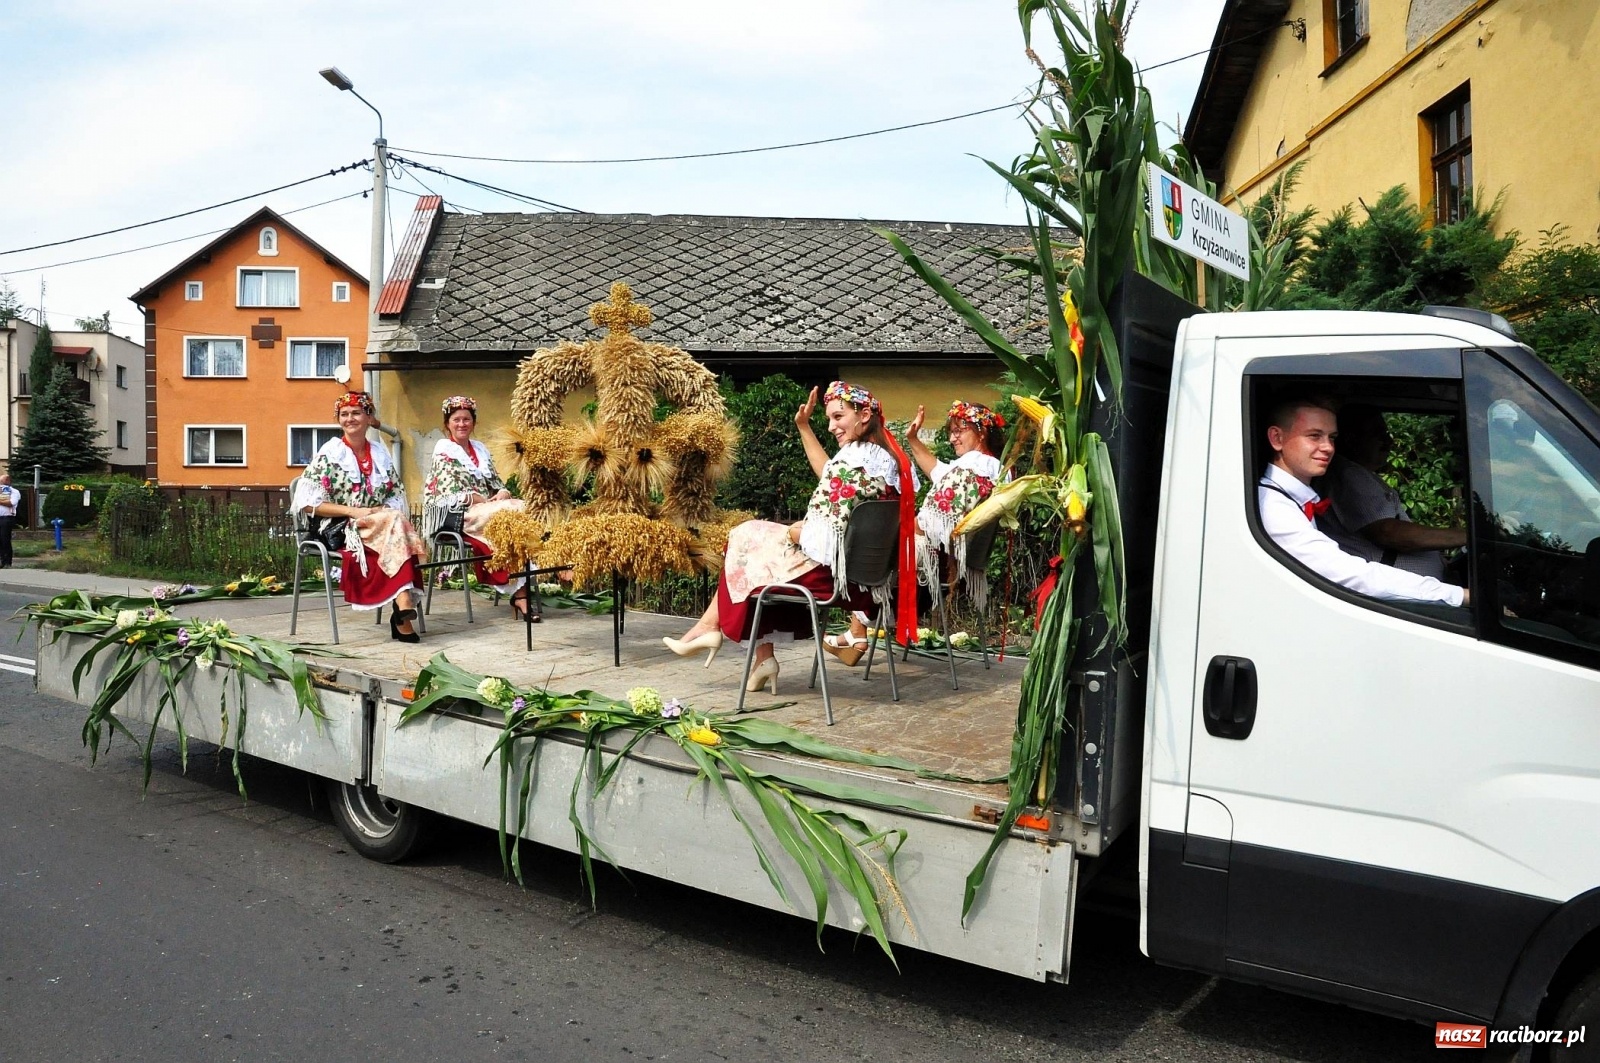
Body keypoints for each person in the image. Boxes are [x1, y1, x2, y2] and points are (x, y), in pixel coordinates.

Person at [663, 380, 916, 694]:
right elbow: (838, 492)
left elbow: (816, 538)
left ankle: (717, 631)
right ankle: (744, 649)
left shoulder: (850, 463)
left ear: (864, 415)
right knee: (752, 542)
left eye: (838, 417)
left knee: (743, 539)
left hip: (832, 579)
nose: (832, 425)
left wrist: (797, 530)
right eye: (829, 419)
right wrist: (804, 427)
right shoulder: (890, 461)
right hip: (870, 580)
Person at [824, 399, 1004, 665]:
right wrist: (913, 438)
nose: (952, 438)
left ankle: (856, 633)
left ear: (981, 431)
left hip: (931, 563)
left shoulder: (972, 466)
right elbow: (939, 471)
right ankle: (856, 633)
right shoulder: (990, 468)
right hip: (949, 562)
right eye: (950, 431)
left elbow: (931, 521)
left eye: (959, 430)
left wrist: (897, 526)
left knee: (869, 542)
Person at [1258, 397, 1467, 607]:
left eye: (1332, 437)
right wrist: (1459, 596)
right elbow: (1351, 575)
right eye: (1314, 436)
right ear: (1277, 438)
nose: (1328, 447)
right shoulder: (1274, 507)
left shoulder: (1293, 498)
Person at [290, 391, 427, 641]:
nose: (350, 419)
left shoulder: (380, 453)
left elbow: (396, 494)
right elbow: (308, 504)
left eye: (356, 413)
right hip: (340, 527)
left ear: (368, 418)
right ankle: (403, 602)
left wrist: (380, 512)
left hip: (380, 524)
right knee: (397, 530)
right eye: (344, 414)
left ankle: (402, 605)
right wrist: (355, 511)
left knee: (394, 522)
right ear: (338, 419)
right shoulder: (330, 453)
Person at [1315, 403, 1466, 580]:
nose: (1389, 442)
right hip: (1389, 602)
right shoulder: (1349, 474)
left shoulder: (1359, 474)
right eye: (1378, 434)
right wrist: (1468, 536)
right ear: (1351, 438)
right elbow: (1390, 533)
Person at [422, 395, 536, 619]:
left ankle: (521, 593)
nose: (462, 424)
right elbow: (447, 493)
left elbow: (495, 483)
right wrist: (478, 499)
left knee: (521, 511)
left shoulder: (480, 450)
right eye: (456, 420)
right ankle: (521, 596)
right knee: (510, 515)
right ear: (447, 424)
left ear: (473, 422)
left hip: (486, 510)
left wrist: (502, 492)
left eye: (466, 419)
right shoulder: (444, 450)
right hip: (458, 514)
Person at [0, 473, 19, 568]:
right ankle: (1, 561)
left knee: (4, 539)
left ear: (8, 481)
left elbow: (11, 503)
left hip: (7, 518)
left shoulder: (14, 492)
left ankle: (7, 562)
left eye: (2, 482)